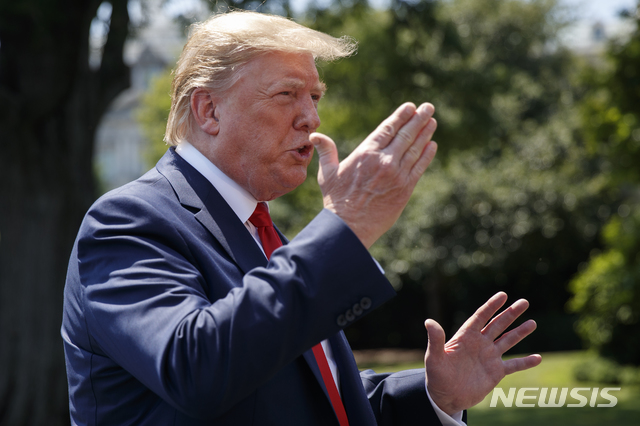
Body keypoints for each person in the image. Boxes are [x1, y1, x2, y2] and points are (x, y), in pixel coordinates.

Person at [61, 10, 541, 425]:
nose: (311, 117)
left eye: (315, 96)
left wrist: (438, 395)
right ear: (209, 109)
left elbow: (313, 394)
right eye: (288, 94)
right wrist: (346, 227)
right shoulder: (128, 221)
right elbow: (198, 370)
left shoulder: (264, 234)